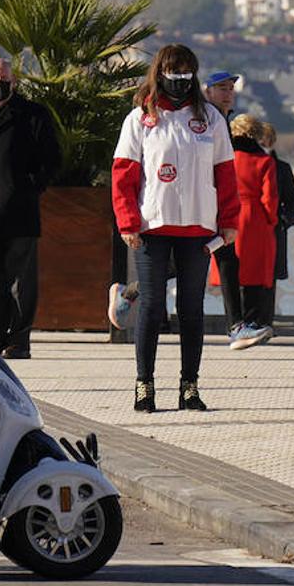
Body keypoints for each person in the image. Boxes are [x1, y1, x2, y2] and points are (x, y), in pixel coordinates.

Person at [112, 44, 239, 412]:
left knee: (191, 309)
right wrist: (127, 222)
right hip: (153, 225)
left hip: (199, 227)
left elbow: (226, 175)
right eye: (174, 73)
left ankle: (189, 386)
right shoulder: (141, 118)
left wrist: (229, 222)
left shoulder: (210, 119)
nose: (180, 80)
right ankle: (144, 385)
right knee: (151, 308)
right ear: (160, 73)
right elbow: (123, 174)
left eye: (187, 73)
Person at [0, 57, 62, 359]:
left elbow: (51, 160)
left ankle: (19, 340)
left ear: (15, 81)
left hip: (20, 212)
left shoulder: (33, 115)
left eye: (5, 77)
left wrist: (28, 187)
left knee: (21, 281)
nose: (0, 83)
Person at [210, 114, 277, 349]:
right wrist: (271, 220)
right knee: (255, 273)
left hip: (228, 215)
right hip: (255, 219)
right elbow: (269, 199)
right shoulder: (264, 160)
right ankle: (251, 322)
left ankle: (234, 322)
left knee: (231, 273)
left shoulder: (227, 157)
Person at [259, 122, 294, 330]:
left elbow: (293, 201)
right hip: (251, 229)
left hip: (274, 230)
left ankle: (266, 322)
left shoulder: (282, 168)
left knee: (270, 279)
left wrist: (284, 220)